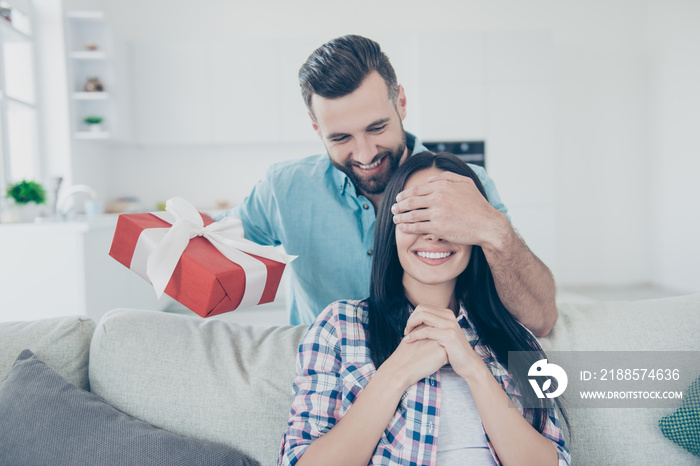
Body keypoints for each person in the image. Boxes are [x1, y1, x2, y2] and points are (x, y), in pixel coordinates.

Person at [223, 34, 557, 336]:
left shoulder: (469, 184)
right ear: (316, 129)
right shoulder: (283, 189)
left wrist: (494, 230)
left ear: (401, 103)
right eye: (340, 137)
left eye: (377, 127)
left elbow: (539, 320)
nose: (365, 154)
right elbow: (216, 249)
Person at [279, 152, 570, 466]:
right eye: (417, 214)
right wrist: (397, 372)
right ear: (390, 228)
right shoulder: (340, 326)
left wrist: (472, 367)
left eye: (451, 218)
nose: (434, 232)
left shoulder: (512, 332)